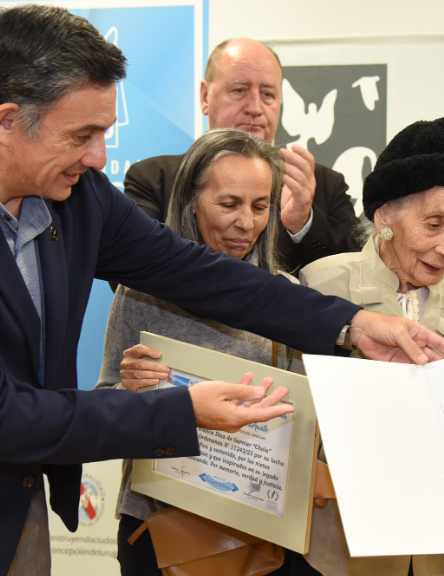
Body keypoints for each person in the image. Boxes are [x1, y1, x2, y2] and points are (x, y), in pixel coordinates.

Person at [0, 7, 444, 575]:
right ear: (6, 122)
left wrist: (352, 324)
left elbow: (198, 274)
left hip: (17, 510)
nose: (99, 155)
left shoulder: (73, 194)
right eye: (82, 135)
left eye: (103, 131)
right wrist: (181, 411)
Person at [298, 118, 444, 576]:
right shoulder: (320, 285)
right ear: (384, 217)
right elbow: (300, 421)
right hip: (350, 548)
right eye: (434, 223)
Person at [96, 128, 312, 575]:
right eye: (229, 204)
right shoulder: (140, 294)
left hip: (255, 534)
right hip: (158, 530)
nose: (247, 223)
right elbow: (104, 404)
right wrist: (131, 391)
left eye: (259, 206)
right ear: (191, 201)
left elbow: (299, 421)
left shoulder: (286, 296)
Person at [124, 38, 358, 273]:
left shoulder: (324, 184)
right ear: (205, 96)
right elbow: (132, 268)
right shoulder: (153, 179)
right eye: (240, 90)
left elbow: (359, 277)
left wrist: (303, 224)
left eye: (267, 94)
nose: (255, 107)